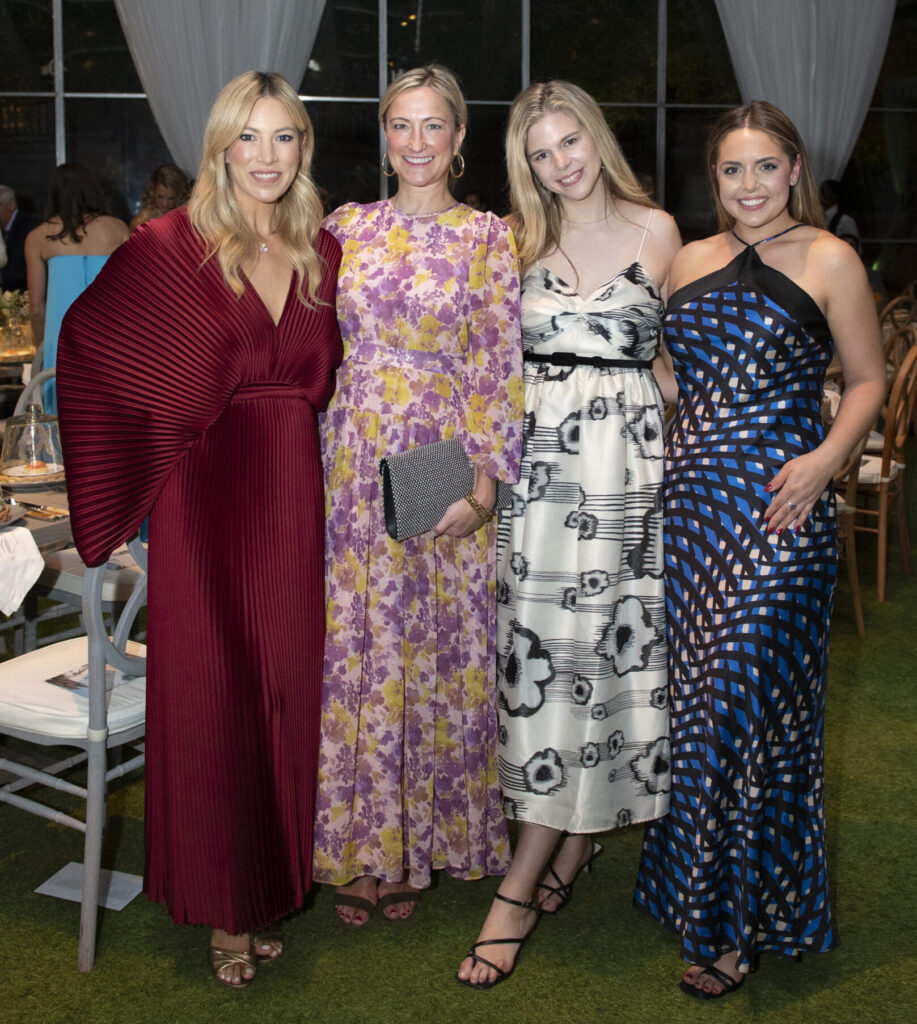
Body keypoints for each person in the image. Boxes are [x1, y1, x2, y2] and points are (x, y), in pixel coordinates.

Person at [56, 70, 342, 988]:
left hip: (292, 492)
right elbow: (91, 352)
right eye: (246, 140)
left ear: (303, 148)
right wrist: (133, 497)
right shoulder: (169, 245)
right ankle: (224, 905)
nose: (266, 157)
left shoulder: (318, 249)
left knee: (283, 695)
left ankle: (266, 886)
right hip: (204, 497)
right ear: (218, 150)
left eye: (283, 138)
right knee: (215, 698)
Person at [634, 101, 885, 1000]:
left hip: (782, 512)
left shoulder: (829, 257)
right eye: (731, 170)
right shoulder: (687, 261)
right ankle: (697, 895)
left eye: (764, 168)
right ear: (717, 179)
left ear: (793, 170)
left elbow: (866, 378)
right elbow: (669, 370)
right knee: (700, 707)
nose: (748, 185)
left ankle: (735, 922)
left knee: (747, 698)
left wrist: (824, 462)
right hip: (694, 510)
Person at [455, 80, 681, 989]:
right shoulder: (516, 240)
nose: (560, 162)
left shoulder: (659, 233)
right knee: (541, 659)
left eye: (570, 140)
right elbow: (481, 361)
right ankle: (572, 838)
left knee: (600, 659)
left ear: (597, 134)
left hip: (625, 477)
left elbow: (669, 358)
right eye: (541, 152)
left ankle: (519, 885)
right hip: (540, 479)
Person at [314, 64, 523, 926]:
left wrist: (481, 487)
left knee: (435, 652)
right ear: (384, 133)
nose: (416, 142)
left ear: (460, 138)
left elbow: (499, 364)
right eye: (401, 124)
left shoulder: (487, 238)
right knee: (358, 647)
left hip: (441, 453)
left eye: (433, 125)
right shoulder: (342, 227)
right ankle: (363, 844)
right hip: (351, 456)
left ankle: (426, 842)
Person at [24, 163, 129, 412]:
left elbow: (37, 308)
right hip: (112, 339)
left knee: (63, 424)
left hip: (62, 342)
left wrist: (42, 348)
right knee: (112, 422)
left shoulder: (38, 237)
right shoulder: (118, 229)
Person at [129, 163, 192, 232]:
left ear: (179, 196)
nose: (165, 204)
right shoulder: (144, 217)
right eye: (160, 197)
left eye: (171, 198)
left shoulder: (187, 214)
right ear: (153, 192)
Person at [1, 185, 39, 291]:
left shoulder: (29, 227)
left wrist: (3, 277)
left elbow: (30, 268)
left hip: (23, 296)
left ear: (11, 204)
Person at [819, 178, 860, 253]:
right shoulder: (820, 218)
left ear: (834, 195)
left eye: (824, 191)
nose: (820, 195)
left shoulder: (845, 220)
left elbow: (856, 249)